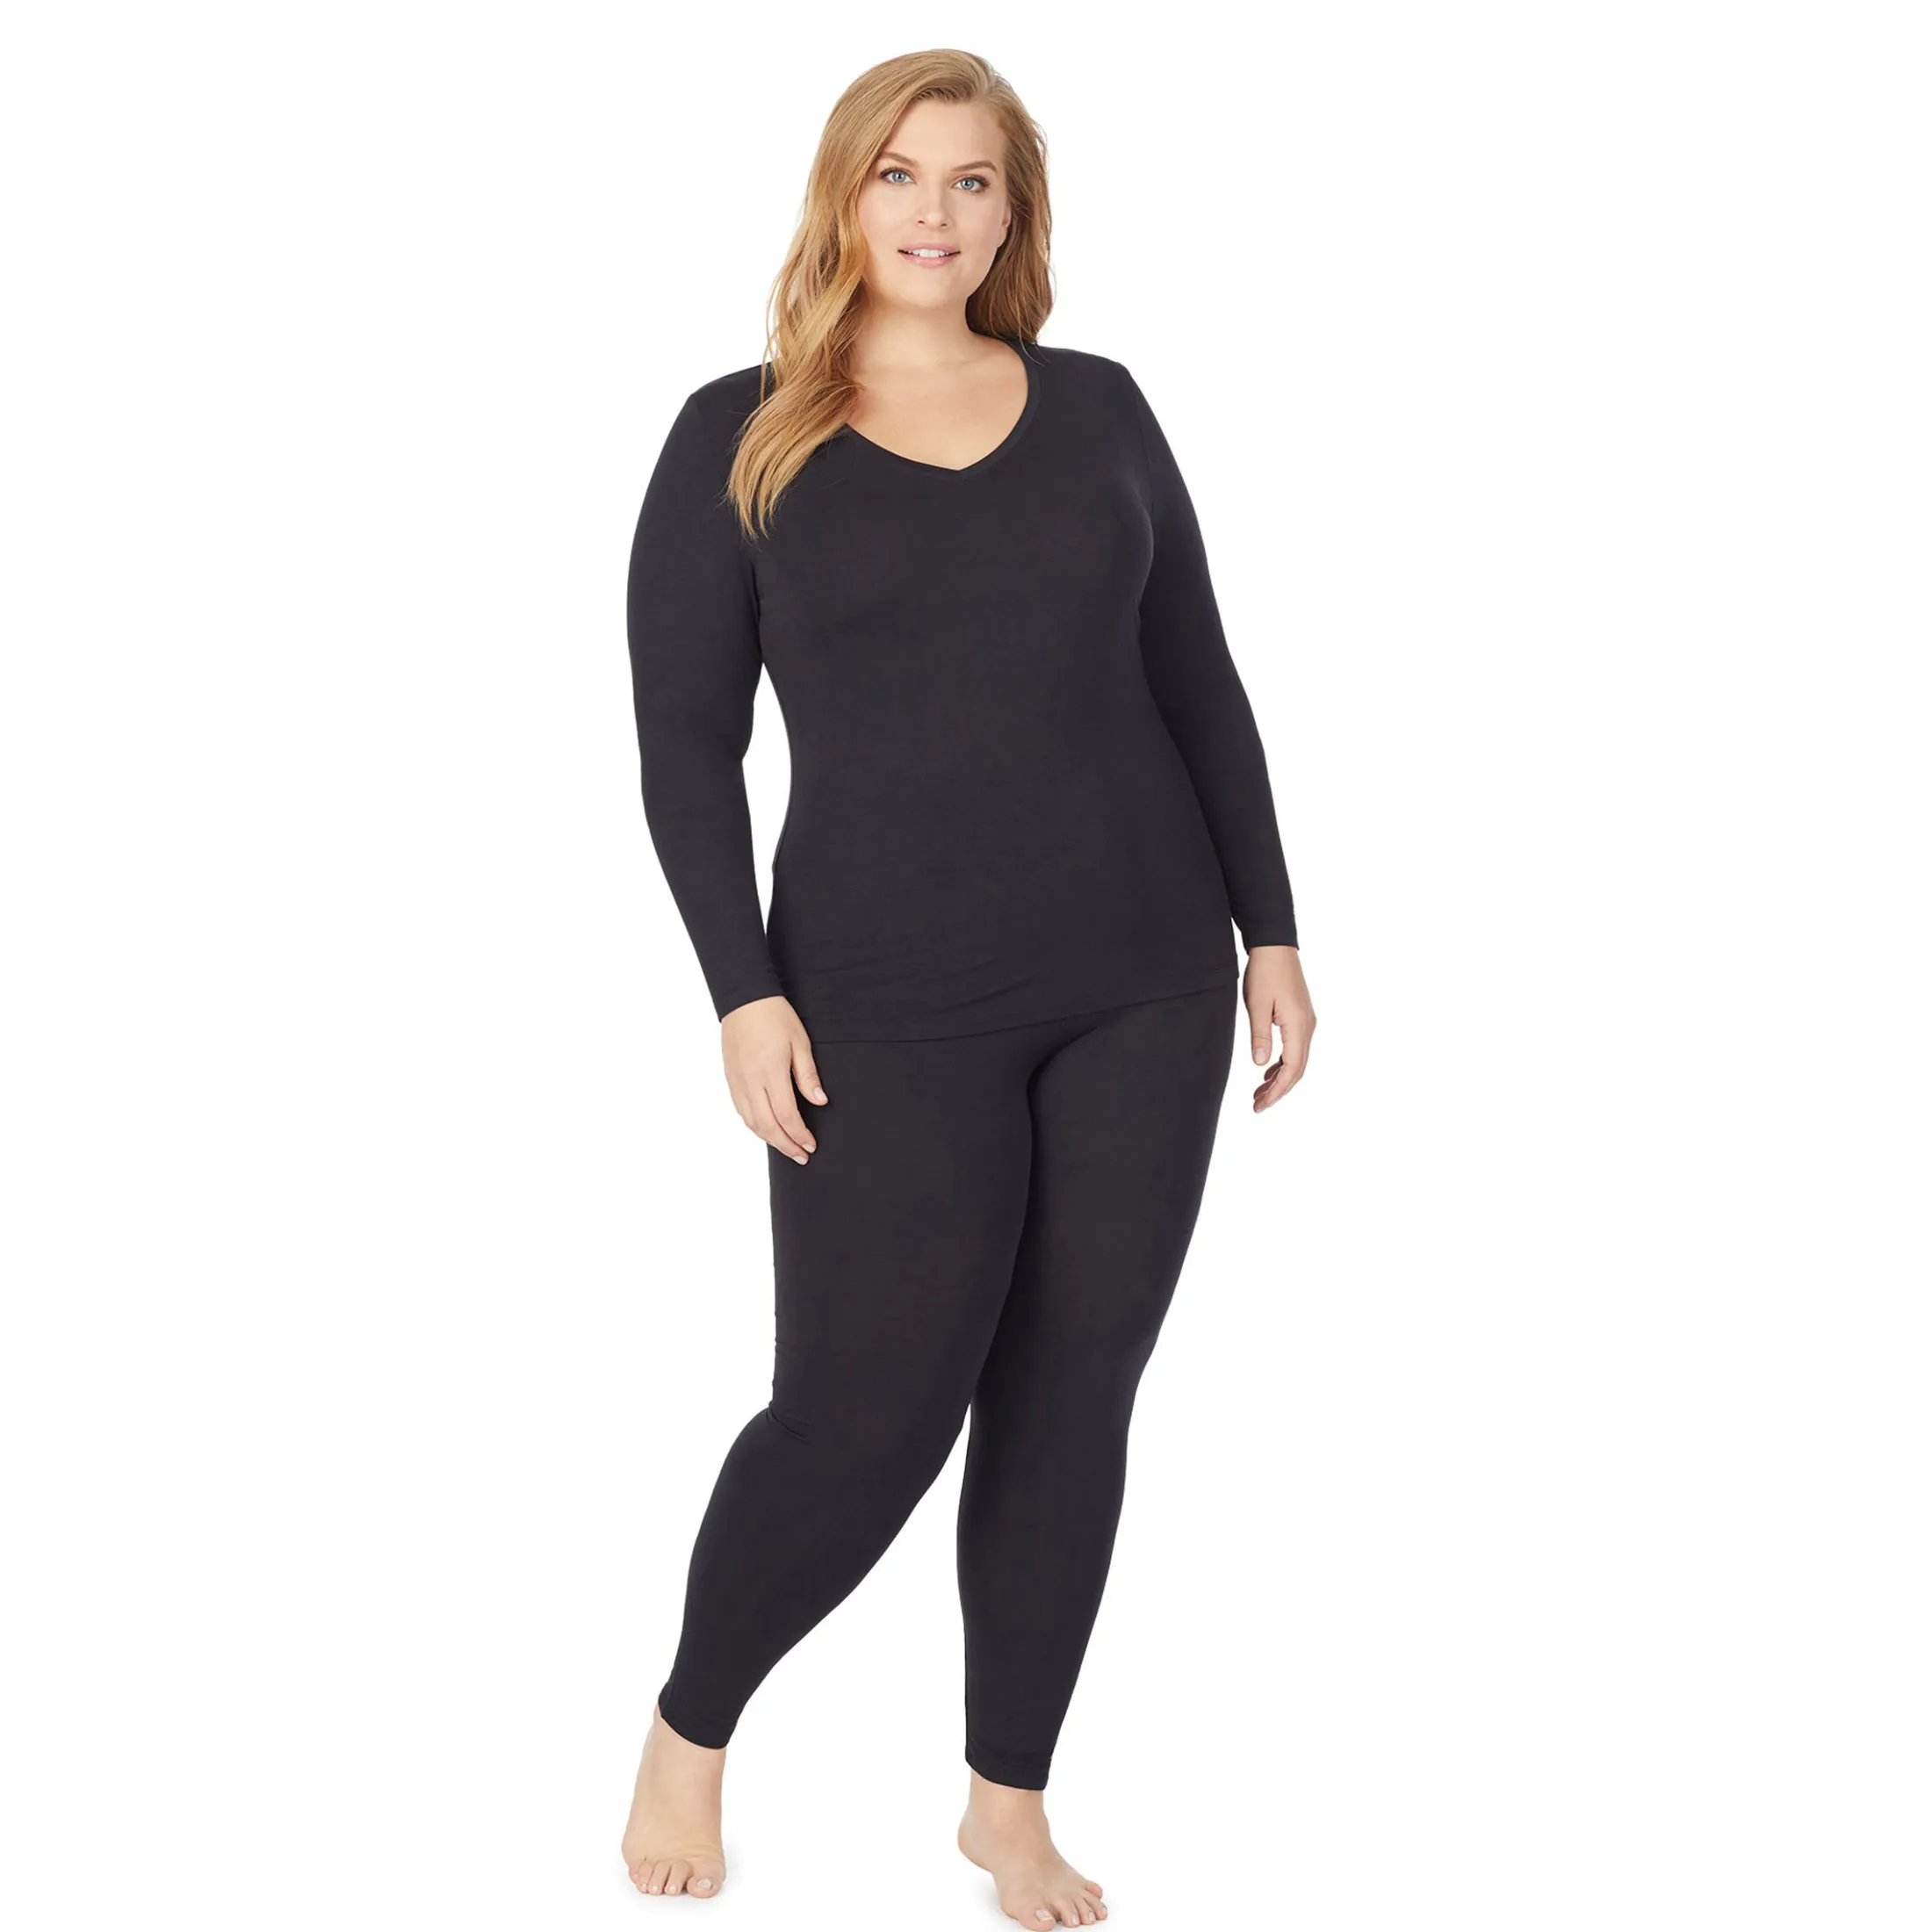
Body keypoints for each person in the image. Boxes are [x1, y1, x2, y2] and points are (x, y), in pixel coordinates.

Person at [618, 47, 1316, 1929]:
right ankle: (691, 1722)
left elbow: (1198, 676)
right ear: (843, 194)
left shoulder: (1099, 407)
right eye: (901, 175)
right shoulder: (739, 435)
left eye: (974, 180)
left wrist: (1268, 924)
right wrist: (741, 991)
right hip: (880, 999)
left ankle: (1006, 1800)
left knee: (1072, 1392)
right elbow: (686, 752)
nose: (935, 212)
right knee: (860, 1414)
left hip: (1139, 978)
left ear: (1015, 212)